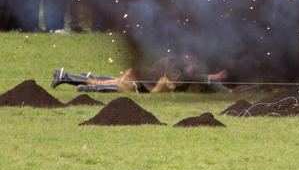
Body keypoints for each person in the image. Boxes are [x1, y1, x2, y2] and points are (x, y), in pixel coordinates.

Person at [52, 54, 230, 93]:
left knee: (107, 81)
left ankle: (68, 77)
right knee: (112, 85)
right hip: (144, 78)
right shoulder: (172, 61)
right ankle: (70, 78)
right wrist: (193, 72)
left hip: (144, 77)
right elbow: (179, 82)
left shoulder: (179, 61)